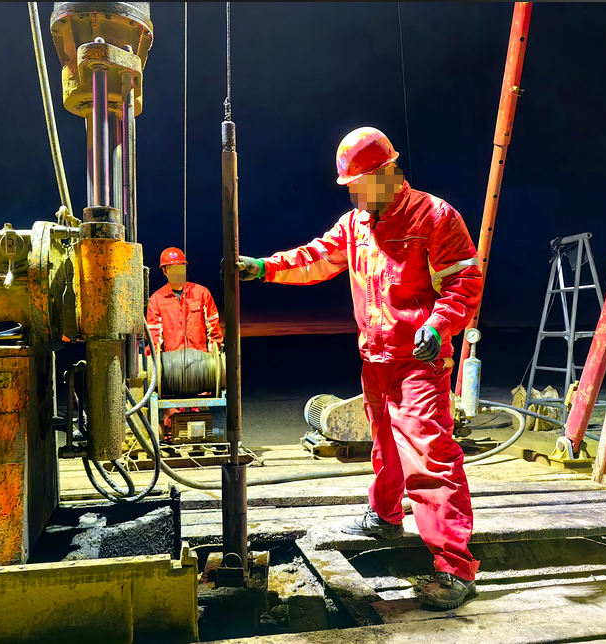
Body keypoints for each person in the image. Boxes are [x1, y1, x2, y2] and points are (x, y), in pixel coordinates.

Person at [235, 127, 483, 609]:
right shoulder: (356, 226)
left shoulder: (434, 216)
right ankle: (386, 515)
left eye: (360, 184)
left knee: (431, 459)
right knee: (384, 444)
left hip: (419, 361)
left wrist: (439, 324)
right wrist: (264, 267)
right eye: (350, 187)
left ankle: (455, 569)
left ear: (388, 171)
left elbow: (463, 283)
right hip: (376, 357)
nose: (354, 193)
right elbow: (316, 258)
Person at [147, 247, 224, 438]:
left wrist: (214, 361)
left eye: (180, 268)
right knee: (173, 431)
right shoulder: (157, 299)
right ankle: (171, 434)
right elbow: (154, 336)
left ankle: (203, 436)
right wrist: (156, 368)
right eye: (171, 269)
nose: (177, 273)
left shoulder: (201, 293)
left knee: (201, 420)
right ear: (164, 271)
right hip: (171, 375)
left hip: (201, 369)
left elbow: (213, 328)